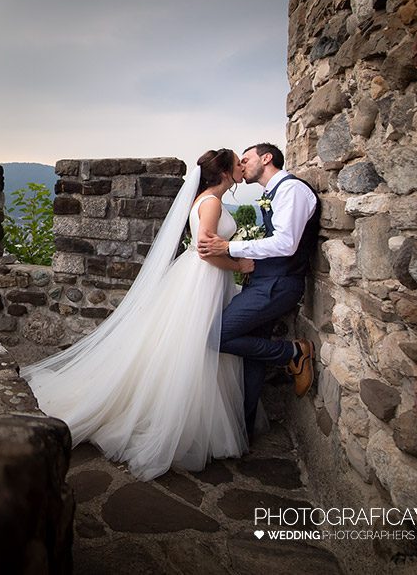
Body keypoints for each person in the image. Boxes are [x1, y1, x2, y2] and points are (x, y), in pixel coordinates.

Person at [22, 149, 255, 480]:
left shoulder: (205, 198)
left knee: (190, 346)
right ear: (226, 173)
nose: (242, 167)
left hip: (202, 280)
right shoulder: (213, 202)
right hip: (202, 279)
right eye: (238, 163)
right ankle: (179, 423)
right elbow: (205, 249)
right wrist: (239, 265)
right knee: (193, 348)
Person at [197, 143, 319, 438]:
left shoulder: (292, 191)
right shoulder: (272, 194)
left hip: (278, 284)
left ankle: (293, 352)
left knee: (218, 334)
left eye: (247, 158)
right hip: (264, 282)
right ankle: (245, 428)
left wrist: (229, 247)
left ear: (266, 158)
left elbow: (286, 243)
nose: (242, 165)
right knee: (252, 355)